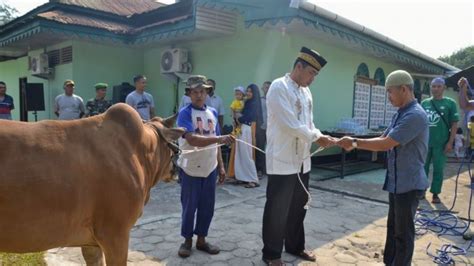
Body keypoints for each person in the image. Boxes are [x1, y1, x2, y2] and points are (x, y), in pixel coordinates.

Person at [338, 70, 429, 266]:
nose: (388, 97)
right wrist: (352, 141)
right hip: (397, 182)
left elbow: (386, 143)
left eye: (390, 92)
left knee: (403, 234)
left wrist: (354, 143)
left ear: (404, 89)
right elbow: (382, 138)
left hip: (409, 183)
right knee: (393, 229)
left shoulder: (415, 115)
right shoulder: (401, 113)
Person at [262, 47, 335, 265]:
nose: (313, 79)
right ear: (299, 67)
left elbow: (309, 124)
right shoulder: (278, 87)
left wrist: (322, 135)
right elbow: (289, 124)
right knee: (277, 209)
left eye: (316, 75)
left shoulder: (306, 92)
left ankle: (295, 246)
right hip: (282, 161)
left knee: (298, 206)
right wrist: (317, 137)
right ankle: (271, 254)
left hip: (303, 161)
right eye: (311, 73)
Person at [176, 75, 234, 258]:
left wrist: (221, 167)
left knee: (207, 206)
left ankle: (201, 240)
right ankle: (187, 241)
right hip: (190, 168)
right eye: (195, 92)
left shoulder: (213, 113)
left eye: (202, 91)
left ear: (207, 92)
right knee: (189, 206)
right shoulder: (185, 114)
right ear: (189, 94)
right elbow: (192, 139)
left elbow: (216, 145)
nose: (199, 95)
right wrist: (220, 138)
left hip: (210, 167)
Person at [421, 77, 459, 204]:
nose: (435, 89)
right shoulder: (424, 103)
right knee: (422, 168)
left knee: (438, 169)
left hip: (441, 143)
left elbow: (454, 124)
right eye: (433, 86)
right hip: (425, 143)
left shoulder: (450, 103)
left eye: (438, 86)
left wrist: (450, 142)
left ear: (444, 88)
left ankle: (435, 193)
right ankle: (421, 190)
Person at [227, 84, 262, 188]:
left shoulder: (254, 104)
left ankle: (253, 179)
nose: (248, 93)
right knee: (239, 153)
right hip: (240, 128)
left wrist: (239, 116)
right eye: (247, 91)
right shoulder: (246, 103)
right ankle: (241, 177)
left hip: (247, 129)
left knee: (246, 154)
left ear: (254, 93)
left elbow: (249, 117)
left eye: (250, 91)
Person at [256, 81, 271, 177]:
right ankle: (260, 169)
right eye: (265, 87)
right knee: (260, 149)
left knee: (270, 149)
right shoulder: (260, 100)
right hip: (261, 128)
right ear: (262, 89)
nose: (267, 89)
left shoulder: (275, 100)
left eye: (269, 87)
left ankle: (268, 169)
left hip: (271, 129)